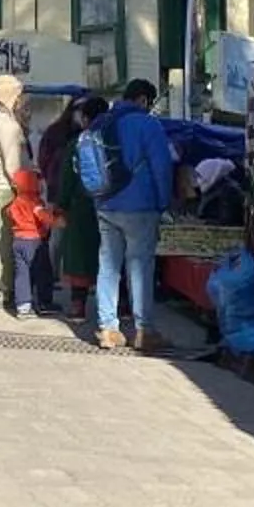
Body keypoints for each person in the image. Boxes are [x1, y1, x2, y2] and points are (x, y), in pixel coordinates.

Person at [94, 77, 176, 353]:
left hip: (104, 204)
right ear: (142, 100)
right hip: (140, 205)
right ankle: (144, 331)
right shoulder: (148, 124)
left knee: (108, 265)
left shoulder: (102, 123)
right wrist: (163, 202)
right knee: (140, 267)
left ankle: (108, 328)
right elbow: (161, 167)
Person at [55, 94, 111, 324]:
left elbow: (67, 178)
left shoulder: (77, 143)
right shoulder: (113, 139)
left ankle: (78, 308)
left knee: (79, 256)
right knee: (111, 257)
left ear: (86, 118)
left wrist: (62, 204)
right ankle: (121, 309)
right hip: (110, 204)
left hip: (80, 206)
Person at [0, 74, 30, 314]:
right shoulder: (8, 125)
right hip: (6, 189)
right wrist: (26, 190)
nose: (21, 100)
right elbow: (13, 166)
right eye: (18, 95)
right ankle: (5, 290)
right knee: (6, 242)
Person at [8, 166, 57, 316]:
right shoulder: (36, 203)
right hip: (35, 242)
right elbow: (44, 217)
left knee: (21, 274)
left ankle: (23, 306)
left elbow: (8, 213)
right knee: (43, 273)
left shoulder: (15, 202)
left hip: (18, 240)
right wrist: (56, 221)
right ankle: (44, 303)